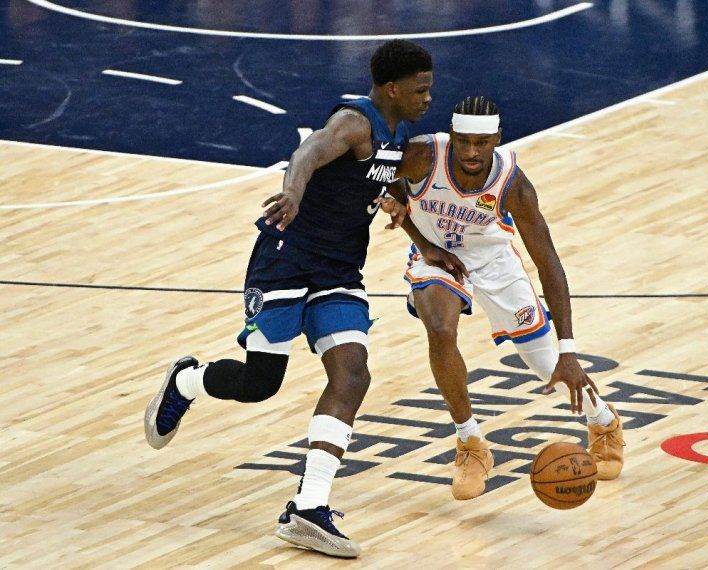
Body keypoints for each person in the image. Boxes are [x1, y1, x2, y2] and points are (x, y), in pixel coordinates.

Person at [143, 40, 465, 558]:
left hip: (339, 269)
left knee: (353, 373)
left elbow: (391, 192)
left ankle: (308, 508)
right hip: (288, 256)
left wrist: (427, 246)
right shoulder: (354, 122)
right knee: (259, 383)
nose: (429, 97)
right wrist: (292, 191)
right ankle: (187, 379)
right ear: (391, 89)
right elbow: (309, 152)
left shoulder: (399, 135)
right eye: (421, 89)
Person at [390, 96, 625, 500]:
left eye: (482, 143)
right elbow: (383, 186)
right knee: (441, 327)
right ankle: (470, 444)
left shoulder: (513, 183)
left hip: (494, 260)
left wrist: (569, 350)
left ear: (497, 138)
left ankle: (604, 423)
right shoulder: (420, 157)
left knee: (547, 364)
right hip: (436, 257)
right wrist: (419, 239)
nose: (470, 152)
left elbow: (549, 263)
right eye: (463, 142)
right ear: (452, 137)